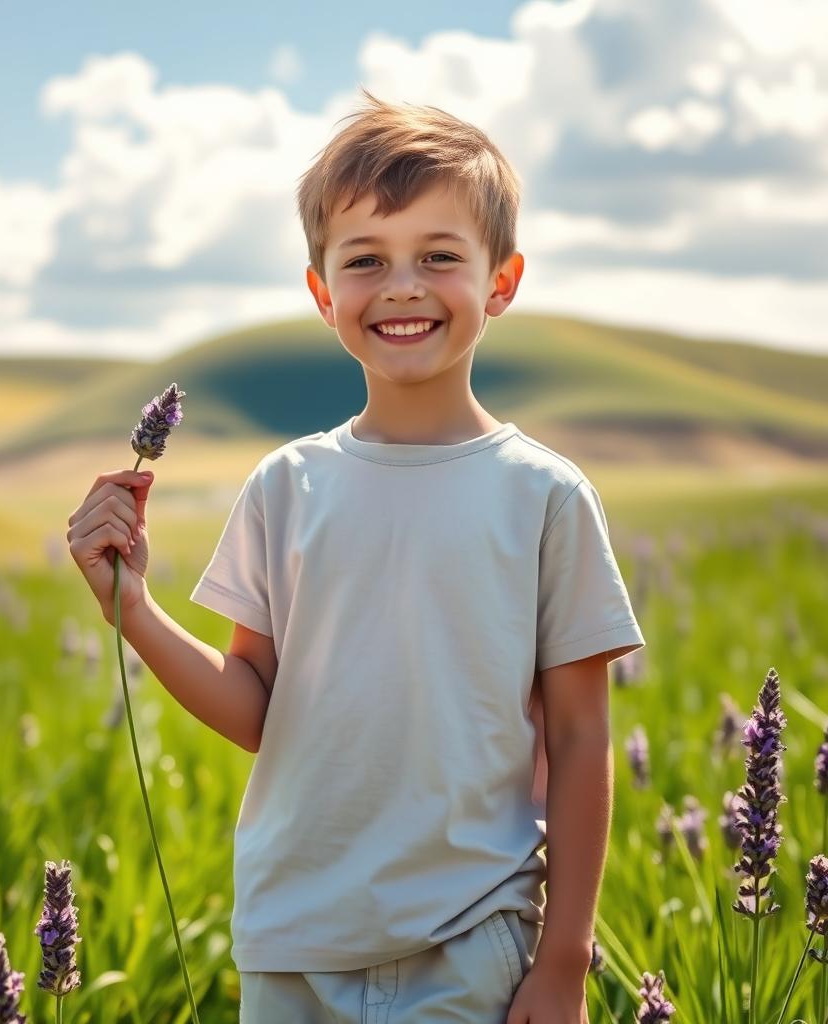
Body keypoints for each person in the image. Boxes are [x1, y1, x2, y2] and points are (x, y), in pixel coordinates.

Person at [67, 88, 646, 1023]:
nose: (403, 285)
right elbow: (256, 708)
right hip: (291, 943)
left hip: (471, 942)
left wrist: (565, 960)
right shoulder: (285, 486)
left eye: (440, 257)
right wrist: (131, 607)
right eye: (366, 260)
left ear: (502, 281)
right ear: (321, 290)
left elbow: (581, 739)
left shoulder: (546, 497)